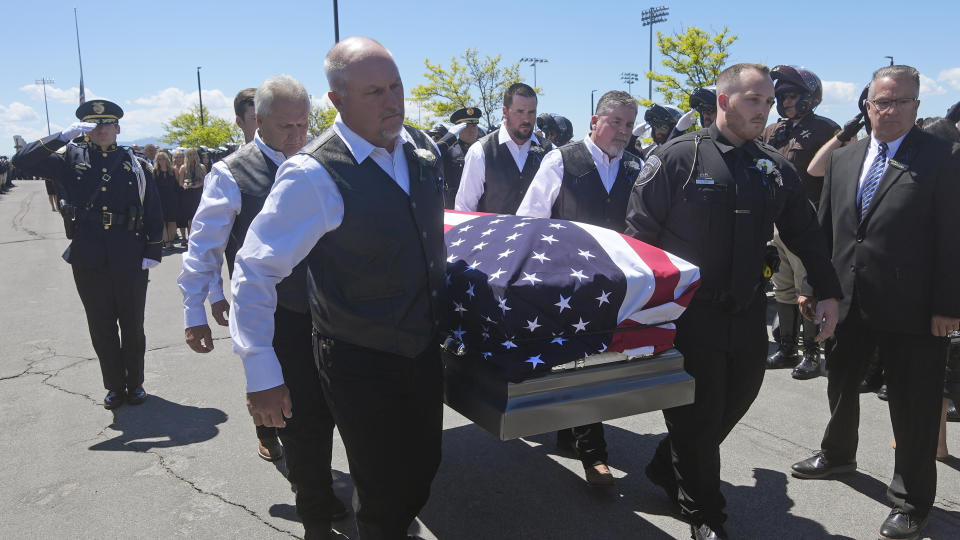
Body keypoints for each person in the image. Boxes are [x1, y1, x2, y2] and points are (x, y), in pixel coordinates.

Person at [229, 37, 446, 539]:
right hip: (359, 359)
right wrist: (261, 369)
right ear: (337, 101)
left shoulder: (422, 152)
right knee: (384, 493)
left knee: (422, 471)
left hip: (422, 351)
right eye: (374, 91)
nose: (392, 101)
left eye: (395, 86)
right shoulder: (314, 175)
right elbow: (255, 270)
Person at [624, 63, 842, 540]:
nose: (763, 111)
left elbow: (804, 232)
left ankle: (667, 466)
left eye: (767, 102)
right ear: (724, 101)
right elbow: (638, 237)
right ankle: (705, 515)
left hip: (746, 312)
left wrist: (826, 290)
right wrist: (640, 316)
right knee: (699, 418)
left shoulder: (772, 165)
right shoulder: (677, 158)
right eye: (753, 101)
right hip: (690, 316)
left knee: (735, 402)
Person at [790, 65, 960, 540]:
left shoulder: (946, 157)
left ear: (917, 106)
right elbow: (823, 228)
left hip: (917, 307)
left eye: (899, 102)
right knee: (840, 382)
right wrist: (812, 283)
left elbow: (954, 238)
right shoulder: (846, 159)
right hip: (847, 298)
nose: (888, 110)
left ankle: (911, 499)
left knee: (914, 404)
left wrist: (949, 305)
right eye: (879, 102)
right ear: (866, 105)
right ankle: (839, 454)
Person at [178, 76, 346, 535]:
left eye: (303, 125)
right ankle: (314, 503)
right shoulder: (232, 174)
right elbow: (204, 247)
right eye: (285, 127)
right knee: (301, 417)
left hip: (332, 312)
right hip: (277, 317)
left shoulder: (323, 163)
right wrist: (196, 308)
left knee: (341, 409)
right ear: (258, 122)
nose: (297, 137)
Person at [517, 90, 643, 486]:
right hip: (568, 279)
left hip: (615, 280)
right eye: (615, 122)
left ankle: (568, 429)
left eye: (628, 123)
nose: (622, 131)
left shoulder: (635, 168)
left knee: (594, 359)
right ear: (595, 121)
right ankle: (594, 457)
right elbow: (530, 217)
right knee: (582, 360)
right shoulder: (562, 160)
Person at [12, 99, 163, 409]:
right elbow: (22, 160)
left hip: (129, 254)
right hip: (88, 255)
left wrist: (153, 249)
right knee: (100, 323)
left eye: (107, 123)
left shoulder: (134, 163)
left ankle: (135, 383)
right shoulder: (69, 159)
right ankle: (113, 386)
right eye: (95, 125)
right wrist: (62, 137)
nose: (101, 129)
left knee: (132, 324)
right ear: (85, 130)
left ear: (118, 128)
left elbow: (154, 208)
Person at [761, 65, 840, 379]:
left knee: (810, 288)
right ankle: (787, 348)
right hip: (773, 223)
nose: (786, 101)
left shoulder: (826, 129)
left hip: (807, 221)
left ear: (810, 97)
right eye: (781, 96)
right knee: (783, 286)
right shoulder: (771, 131)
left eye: (792, 95)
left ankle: (811, 352)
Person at [455, 83, 553, 213]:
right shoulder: (481, 152)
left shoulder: (549, 151)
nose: (526, 119)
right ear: (505, 112)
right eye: (520, 112)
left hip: (538, 233)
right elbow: (464, 208)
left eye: (531, 112)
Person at [436, 106, 481, 208]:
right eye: (466, 126)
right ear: (458, 128)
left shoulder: (485, 149)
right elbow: (434, 154)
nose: (471, 130)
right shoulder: (449, 150)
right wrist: (448, 137)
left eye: (474, 126)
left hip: (481, 206)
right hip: (454, 207)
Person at [153, 149, 180, 249]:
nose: (161, 161)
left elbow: (177, 186)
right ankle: (167, 242)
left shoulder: (173, 171)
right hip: (160, 200)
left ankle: (171, 241)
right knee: (163, 221)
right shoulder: (154, 172)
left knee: (172, 221)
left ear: (167, 159)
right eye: (159, 159)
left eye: (163, 158)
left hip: (172, 199)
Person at [178, 147, 206, 234]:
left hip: (199, 193)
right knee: (190, 218)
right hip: (188, 194)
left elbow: (206, 181)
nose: (192, 156)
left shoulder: (201, 167)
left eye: (193, 154)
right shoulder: (183, 168)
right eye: (189, 154)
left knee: (199, 216)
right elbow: (180, 182)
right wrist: (185, 185)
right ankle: (190, 236)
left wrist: (198, 185)